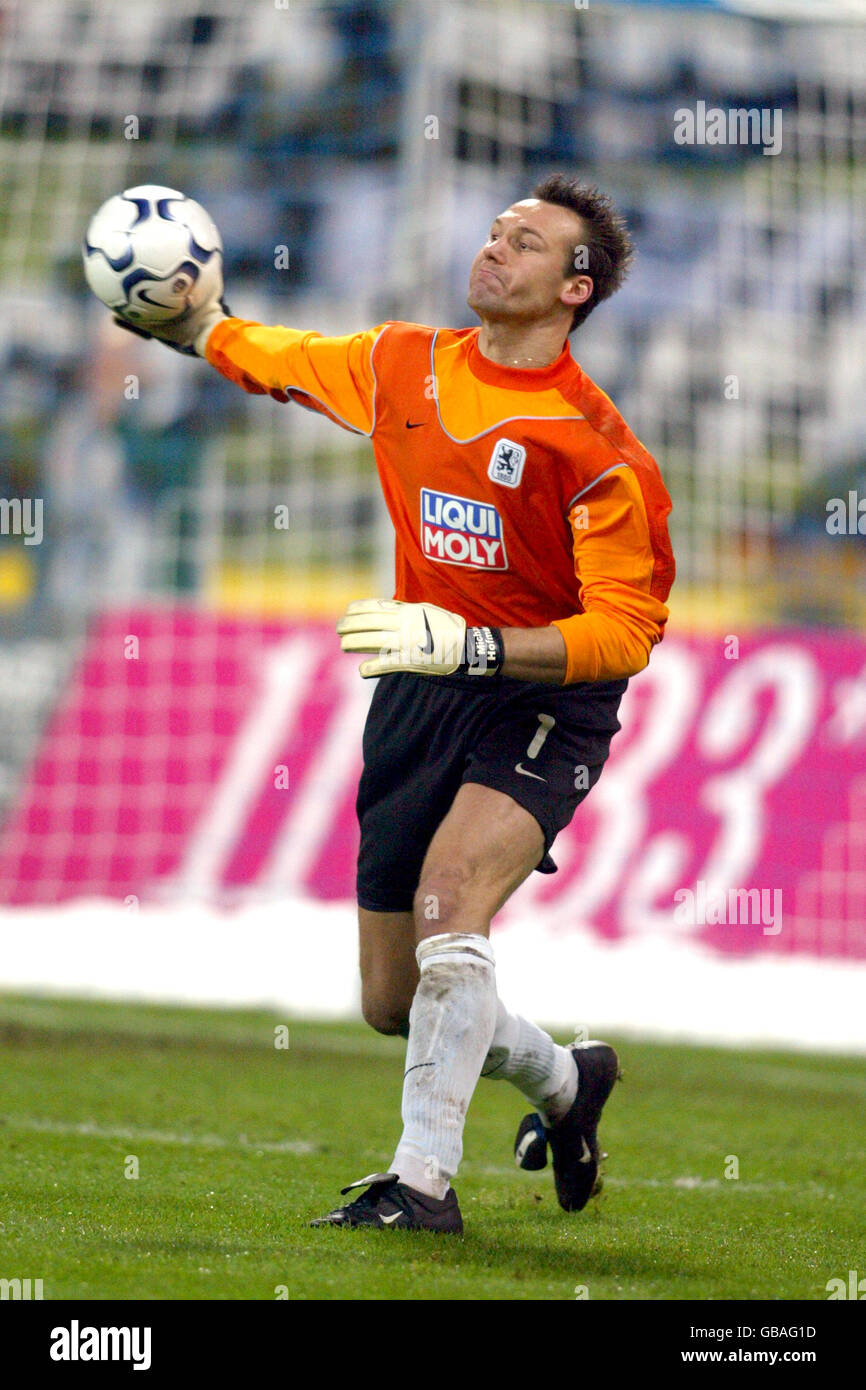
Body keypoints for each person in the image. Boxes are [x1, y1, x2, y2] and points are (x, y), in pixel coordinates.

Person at [117, 173, 675, 1235]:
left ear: (574, 287)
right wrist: (199, 326)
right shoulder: (398, 364)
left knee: (450, 897)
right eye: (494, 230)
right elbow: (281, 361)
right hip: (417, 691)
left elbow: (624, 631)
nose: (492, 249)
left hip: (538, 695)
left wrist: (472, 643)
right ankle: (566, 1082)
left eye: (523, 242)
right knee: (392, 997)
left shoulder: (596, 451)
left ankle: (419, 1184)